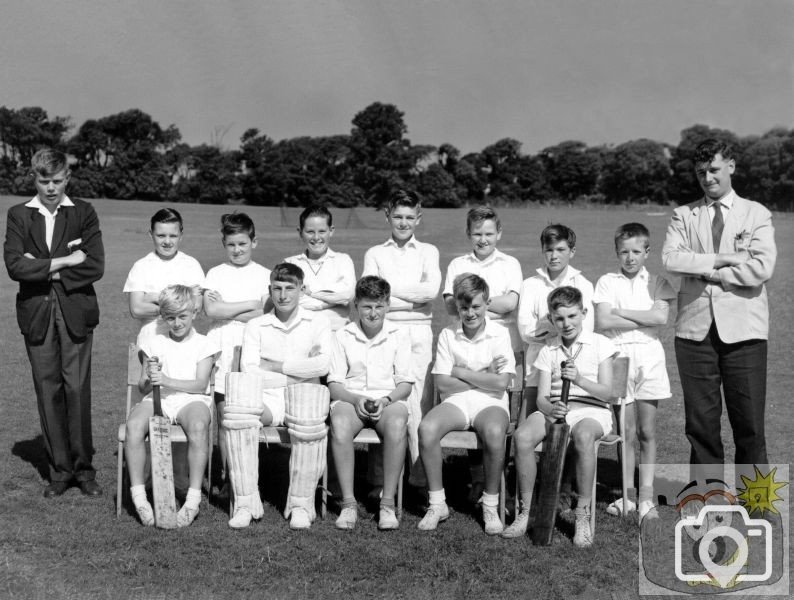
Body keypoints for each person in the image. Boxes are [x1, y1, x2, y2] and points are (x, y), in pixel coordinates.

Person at [662, 139, 776, 468]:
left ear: (731, 166)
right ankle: (705, 494)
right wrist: (725, 258)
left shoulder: (757, 213)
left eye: (713, 169)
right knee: (701, 427)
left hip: (745, 331)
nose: (707, 178)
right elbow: (671, 259)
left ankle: (756, 496)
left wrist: (709, 272)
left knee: (750, 425)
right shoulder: (683, 215)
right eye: (701, 172)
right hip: (694, 332)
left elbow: (761, 268)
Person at [4, 148, 105, 498]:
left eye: (57, 181)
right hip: (37, 314)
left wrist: (41, 266)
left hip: (76, 311)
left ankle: (84, 470)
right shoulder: (19, 214)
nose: (51, 188)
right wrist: (65, 261)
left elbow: (95, 265)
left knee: (76, 389)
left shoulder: (83, 212)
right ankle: (60, 472)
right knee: (48, 391)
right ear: (34, 178)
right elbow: (15, 266)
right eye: (44, 181)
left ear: (67, 178)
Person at [503, 287, 616, 547]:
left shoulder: (601, 344)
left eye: (572, 316)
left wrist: (579, 379)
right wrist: (549, 409)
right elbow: (542, 397)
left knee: (583, 436)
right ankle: (527, 511)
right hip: (555, 409)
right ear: (551, 319)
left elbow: (607, 393)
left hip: (592, 410)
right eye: (560, 318)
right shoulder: (548, 349)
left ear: (584, 313)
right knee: (522, 436)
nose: (567, 323)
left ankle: (582, 515)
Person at [223, 263, 332, 530]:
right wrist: (297, 373)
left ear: (302, 290)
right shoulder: (257, 324)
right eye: (277, 288)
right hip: (268, 397)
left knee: (309, 422)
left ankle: (301, 505)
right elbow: (251, 370)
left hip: (306, 396)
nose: (283, 295)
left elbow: (322, 365)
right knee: (239, 415)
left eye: (290, 288)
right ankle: (246, 503)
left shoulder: (318, 321)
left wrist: (276, 365)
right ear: (269, 290)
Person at [418, 274, 515, 535]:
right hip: (457, 401)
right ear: (457, 307)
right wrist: (484, 375)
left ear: (487, 304)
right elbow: (442, 384)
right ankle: (437, 504)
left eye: (476, 306)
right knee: (427, 428)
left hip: (491, 401)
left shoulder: (500, 334)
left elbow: (501, 383)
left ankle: (490, 504)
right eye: (464, 308)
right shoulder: (448, 334)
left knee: (495, 431)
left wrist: (460, 372)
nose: (470, 313)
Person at [594, 223, 675, 521]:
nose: (630, 258)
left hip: (650, 357)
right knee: (625, 432)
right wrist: (645, 318)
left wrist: (621, 312)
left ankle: (647, 498)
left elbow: (660, 319)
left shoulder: (658, 282)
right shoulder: (607, 282)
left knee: (646, 431)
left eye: (636, 252)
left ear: (647, 252)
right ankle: (627, 495)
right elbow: (603, 321)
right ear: (617, 252)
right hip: (617, 356)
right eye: (624, 252)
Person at [442, 205, 522, 503]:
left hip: (503, 347)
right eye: (477, 233)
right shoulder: (457, 264)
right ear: (469, 234)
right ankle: (477, 478)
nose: (483, 239)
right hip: (467, 345)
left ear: (498, 233)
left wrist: (472, 302)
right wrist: (488, 303)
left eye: (489, 233)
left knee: (504, 415)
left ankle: (501, 479)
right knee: (470, 404)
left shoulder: (510, 264)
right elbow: (451, 306)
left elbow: (511, 304)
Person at [362, 190, 441, 490]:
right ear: (388, 216)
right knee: (384, 397)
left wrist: (389, 293)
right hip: (384, 331)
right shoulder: (375, 253)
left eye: (409, 217)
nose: (403, 222)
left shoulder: (428, 251)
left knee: (418, 402)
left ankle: (419, 477)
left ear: (418, 218)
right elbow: (371, 294)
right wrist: (410, 299)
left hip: (419, 331)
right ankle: (381, 481)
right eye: (397, 216)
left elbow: (430, 291)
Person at [124, 285, 219, 527]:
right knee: (133, 426)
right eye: (170, 318)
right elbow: (143, 388)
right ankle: (139, 497)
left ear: (194, 313)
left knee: (198, 426)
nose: (177, 323)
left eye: (182, 316)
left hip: (191, 399)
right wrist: (149, 377)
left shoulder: (204, 343)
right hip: (160, 399)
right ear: (163, 317)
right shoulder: (154, 343)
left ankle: (192, 500)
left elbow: (200, 385)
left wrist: (166, 379)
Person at [328, 276, 412, 530]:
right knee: (340, 423)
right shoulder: (343, 335)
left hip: (388, 398)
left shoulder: (400, 334)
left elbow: (405, 384)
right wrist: (356, 399)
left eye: (379, 306)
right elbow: (335, 385)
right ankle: (348, 503)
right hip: (351, 397)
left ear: (388, 305)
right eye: (366, 306)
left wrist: (386, 400)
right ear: (356, 305)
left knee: (397, 424)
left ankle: (387, 504)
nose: (373, 313)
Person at [203, 212, 271, 494]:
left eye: (242, 243)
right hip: (221, 347)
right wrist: (249, 304)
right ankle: (227, 476)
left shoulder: (264, 274)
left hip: (252, 349)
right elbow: (211, 310)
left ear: (254, 242)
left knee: (247, 414)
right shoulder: (215, 273)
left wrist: (227, 308)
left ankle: (246, 477)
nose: (237, 250)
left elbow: (265, 313)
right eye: (231, 244)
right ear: (224, 244)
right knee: (224, 416)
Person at [517, 224, 594, 417]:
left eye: (560, 250)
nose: (554, 256)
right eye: (549, 250)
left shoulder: (583, 285)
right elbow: (526, 332)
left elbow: (585, 330)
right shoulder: (530, 285)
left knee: (569, 425)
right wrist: (561, 325)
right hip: (536, 370)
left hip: (570, 370)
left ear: (572, 251)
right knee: (528, 426)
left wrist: (545, 324)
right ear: (542, 250)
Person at [123, 208, 205, 345]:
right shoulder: (141, 266)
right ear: (151, 234)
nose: (167, 241)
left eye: (173, 236)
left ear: (181, 235)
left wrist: (154, 298)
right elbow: (136, 310)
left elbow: (196, 306)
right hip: (150, 341)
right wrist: (184, 299)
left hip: (185, 342)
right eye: (161, 236)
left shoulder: (191, 265)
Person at [284, 205, 356, 332]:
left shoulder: (343, 260)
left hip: (337, 332)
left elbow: (347, 295)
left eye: (322, 231)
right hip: (301, 333)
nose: (316, 237)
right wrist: (333, 300)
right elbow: (288, 300)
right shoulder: (290, 263)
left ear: (331, 231)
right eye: (310, 232)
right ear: (300, 232)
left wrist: (310, 292)